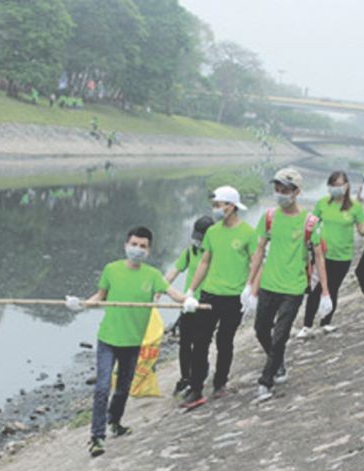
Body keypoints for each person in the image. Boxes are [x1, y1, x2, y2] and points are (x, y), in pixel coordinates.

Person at [65, 227, 198, 457]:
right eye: (134, 244)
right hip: (108, 339)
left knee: (123, 388)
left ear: (149, 250)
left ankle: (115, 422)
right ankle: (96, 437)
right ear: (126, 245)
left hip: (133, 342)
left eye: (143, 246)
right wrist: (81, 305)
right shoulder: (111, 270)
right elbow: (100, 296)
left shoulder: (152, 275)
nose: (137, 249)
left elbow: (172, 293)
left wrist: (188, 300)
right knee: (102, 387)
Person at [243, 168, 331, 402]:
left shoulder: (310, 222)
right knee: (261, 329)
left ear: (297, 192)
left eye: (285, 190)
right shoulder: (270, 217)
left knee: (280, 335)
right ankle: (278, 362)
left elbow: (319, 257)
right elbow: (260, 250)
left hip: (293, 287)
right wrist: (250, 285)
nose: (280, 194)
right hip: (269, 284)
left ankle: (266, 381)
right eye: (277, 189)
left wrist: (325, 292)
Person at [180, 186, 258, 409]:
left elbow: (256, 262)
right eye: (214, 205)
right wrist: (191, 291)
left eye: (218, 205)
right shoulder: (212, 233)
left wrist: (250, 290)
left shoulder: (247, 233)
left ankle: (220, 383)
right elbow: (205, 261)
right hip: (210, 294)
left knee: (225, 341)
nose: (215, 209)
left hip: (234, 297)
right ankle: (195, 388)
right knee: (200, 341)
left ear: (231, 206)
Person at [297, 171, 364, 339]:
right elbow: (311, 225)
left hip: (343, 255)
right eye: (334, 185)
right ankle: (307, 326)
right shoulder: (322, 204)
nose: (337, 189)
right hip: (322, 254)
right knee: (317, 290)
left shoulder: (354, 207)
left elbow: (361, 229)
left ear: (346, 186)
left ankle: (326, 322)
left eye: (340, 185)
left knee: (333, 288)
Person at [164, 216, 215, 396]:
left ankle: (198, 376)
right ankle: (185, 377)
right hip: (188, 304)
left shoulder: (216, 253)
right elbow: (173, 272)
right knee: (184, 343)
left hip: (207, 305)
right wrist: (160, 289)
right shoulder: (190, 252)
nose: (198, 241)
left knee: (201, 343)